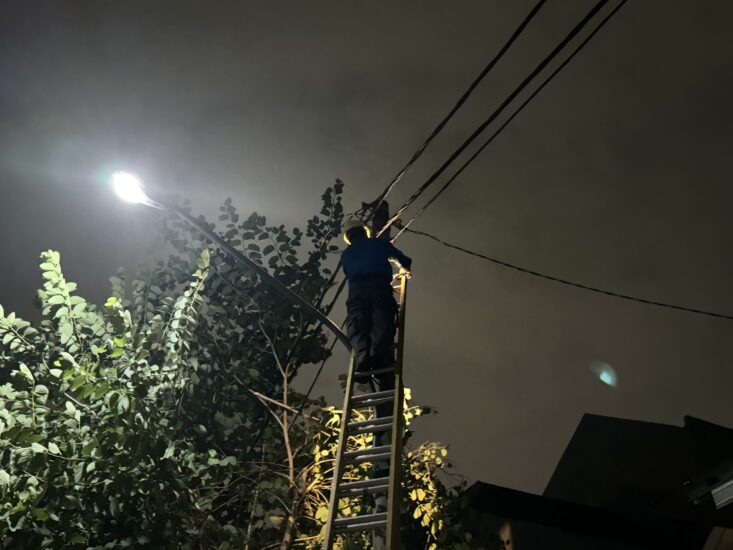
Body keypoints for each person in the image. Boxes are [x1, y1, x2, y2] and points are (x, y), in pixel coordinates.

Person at [340, 218, 412, 380]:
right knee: (382, 322)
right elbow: (403, 259)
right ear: (364, 232)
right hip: (380, 290)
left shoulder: (346, 255)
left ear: (348, 237)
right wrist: (403, 269)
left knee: (358, 327)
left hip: (356, 294)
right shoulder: (377, 244)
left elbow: (358, 274)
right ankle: (378, 358)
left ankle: (363, 360)